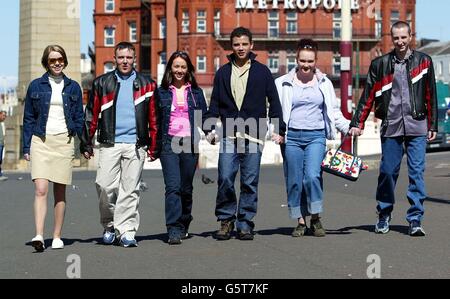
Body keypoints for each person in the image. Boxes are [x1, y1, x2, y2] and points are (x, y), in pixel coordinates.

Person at [349, 21, 437, 237]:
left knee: (416, 173)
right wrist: (357, 123)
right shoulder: (380, 64)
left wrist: (432, 124)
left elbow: (430, 94)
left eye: (403, 37)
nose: (400, 42)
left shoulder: (424, 61)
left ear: (410, 37)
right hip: (391, 126)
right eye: (396, 38)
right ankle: (384, 213)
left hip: (417, 125)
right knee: (388, 172)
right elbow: (368, 94)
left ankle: (415, 219)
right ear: (391, 38)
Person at [205, 27, 286, 241]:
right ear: (231, 47)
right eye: (236, 44)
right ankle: (226, 219)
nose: (240, 48)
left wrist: (278, 129)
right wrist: (209, 128)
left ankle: (245, 223)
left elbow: (274, 102)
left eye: (244, 44)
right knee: (225, 178)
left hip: (255, 135)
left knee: (250, 182)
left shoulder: (262, 72)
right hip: (229, 135)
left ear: (251, 46)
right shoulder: (223, 72)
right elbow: (214, 104)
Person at [80, 42, 159, 247]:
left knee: (129, 189)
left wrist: (154, 145)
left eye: (129, 58)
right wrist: (86, 143)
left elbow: (154, 117)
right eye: (121, 57)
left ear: (134, 59)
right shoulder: (101, 83)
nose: (125, 61)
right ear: (115, 59)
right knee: (104, 186)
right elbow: (91, 115)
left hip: (136, 144)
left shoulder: (147, 84)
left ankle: (126, 230)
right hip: (109, 143)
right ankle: (109, 225)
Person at [275, 39, 350, 237]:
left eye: (310, 61)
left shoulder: (324, 83)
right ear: (296, 59)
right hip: (291, 137)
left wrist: (350, 127)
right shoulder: (282, 82)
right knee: (294, 180)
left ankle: (315, 218)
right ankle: (300, 220)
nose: (306, 65)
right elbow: (274, 112)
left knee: (312, 176)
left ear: (315, 60)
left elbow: (334, 112)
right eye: (302, 61)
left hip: (316, 135)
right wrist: (276, 132)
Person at [22, 45, 84, 251]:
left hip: (63, 142)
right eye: (52, 60)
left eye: (60, 59)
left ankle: (56, 235)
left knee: (59, 192)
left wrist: (80, 138)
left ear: (64, 61)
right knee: (41, 189)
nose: (57, 63)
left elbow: (79, 116)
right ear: (46, 63)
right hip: (41, 140)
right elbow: (29, 117)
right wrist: (26, 146)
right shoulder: (35, 86)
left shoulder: (74, 87)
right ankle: (39, 235)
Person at [155, 51, 208, 245]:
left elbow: (204, 118)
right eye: (176, 66)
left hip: (189, 143)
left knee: (186, 189)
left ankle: (184, 221)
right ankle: (173, 229)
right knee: (173, 187)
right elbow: (154, 119)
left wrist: (210, 132)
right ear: (170, 68)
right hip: (168, 143)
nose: (179, 70)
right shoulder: (160, 92)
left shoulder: (196, 93)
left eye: (183, 67)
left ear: (188, 70)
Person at [0, 111, 7, 181]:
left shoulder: (2, 124)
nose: (4, 117)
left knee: (0, 160)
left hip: (1, 144)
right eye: (3, 115)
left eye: (5, 116)